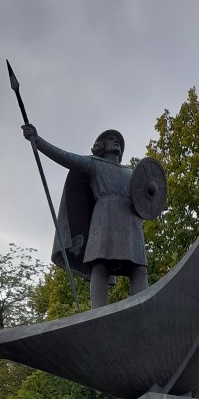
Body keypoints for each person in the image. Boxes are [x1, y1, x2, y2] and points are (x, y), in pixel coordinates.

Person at [22, 124, 148, 309]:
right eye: (110, 138)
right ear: (100, 145)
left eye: (118, 141)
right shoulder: (93, 163)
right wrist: (38, 141)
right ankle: (98, 312)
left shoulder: (131, 172)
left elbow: (149, 196)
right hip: (104, 216)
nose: (116, 142)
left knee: (138, 268)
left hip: (131, 221)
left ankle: (141, 308)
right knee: (100, 263)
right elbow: (65, 157)